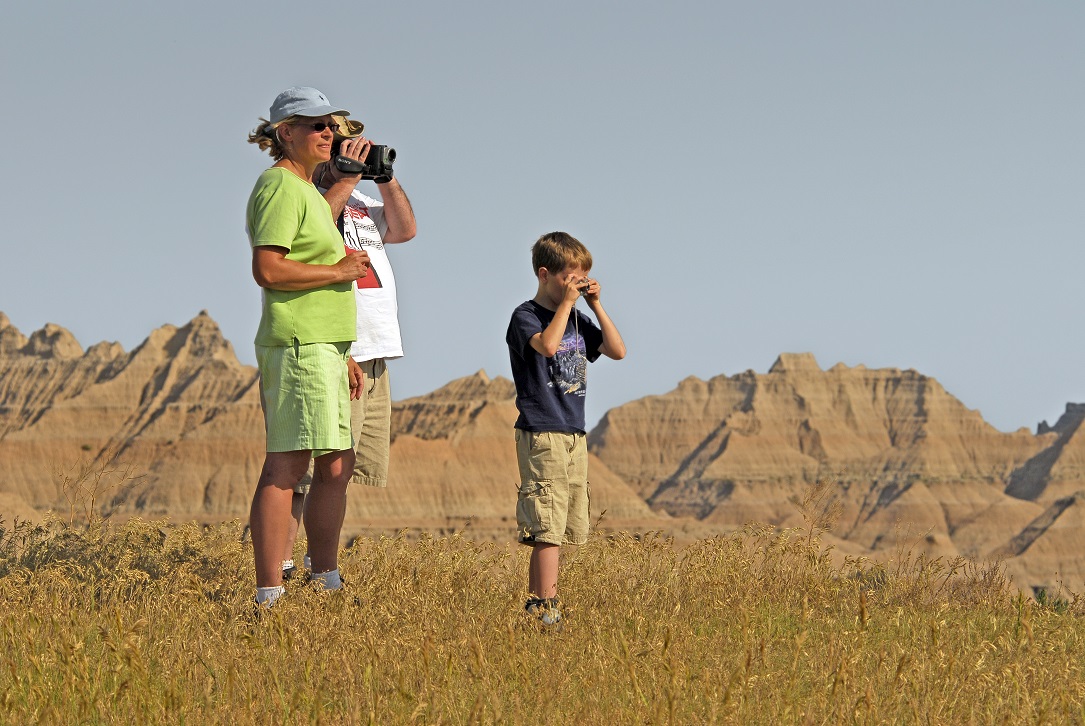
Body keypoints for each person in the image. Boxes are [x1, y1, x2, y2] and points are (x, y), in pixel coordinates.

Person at [245, 86, 371, 607]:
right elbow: (267, 268)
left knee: (338, 463)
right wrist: (339, 269)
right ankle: (270, 593)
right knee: (288, 465)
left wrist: (343, 354)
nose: (327, 133)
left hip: (323, 346)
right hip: (298, 344)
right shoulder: (279, 186)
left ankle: (325, 579)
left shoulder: (307, 193)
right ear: (284, 133)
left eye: (330, 125)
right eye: (314, 125)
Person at [280, 114, 418, 580]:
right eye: (334, 141)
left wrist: (385, 176)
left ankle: (320, 573)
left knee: (339, 471)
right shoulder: (310, 198)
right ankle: (280, 571)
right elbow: (311, 230)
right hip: (338, 345)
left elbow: (404, 230)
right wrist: (343, 176)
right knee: (306, 468)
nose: (341, 147)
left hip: (376, 350)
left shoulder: (357, 199)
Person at [505, 231, 626, 625]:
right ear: (545, 274)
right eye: (568, 279)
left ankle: (536, 605)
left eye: (582, 278)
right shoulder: (525, 316)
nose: (575, 286)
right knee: (547, 525)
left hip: (573, 432)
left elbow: (617, 350)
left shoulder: (578, 315)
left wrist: (594, 303)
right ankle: (546, 609)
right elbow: (548, 346)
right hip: (542, 430)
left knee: (560, 525)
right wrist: (569, 304)